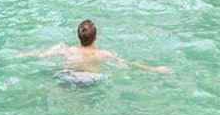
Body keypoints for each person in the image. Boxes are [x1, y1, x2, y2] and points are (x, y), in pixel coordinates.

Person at [19, 19, 170, 74]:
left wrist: (25, 54)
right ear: (95, 37)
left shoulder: (68, 50)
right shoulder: (103, 54)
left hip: (67, 75)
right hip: (88, 80)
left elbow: (42, 55)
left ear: (78, 36)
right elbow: (129, 65)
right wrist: (154, 69)